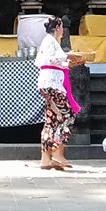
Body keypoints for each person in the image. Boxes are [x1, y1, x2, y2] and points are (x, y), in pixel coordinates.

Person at [36, 16, 84, 170]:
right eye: (62, 26)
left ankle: (45, 158)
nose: (63, 29)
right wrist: (67, 56)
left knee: (51, 120)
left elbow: (52, 61)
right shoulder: (49, 41)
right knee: (67, 116)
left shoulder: (50, 42)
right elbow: (47, 60)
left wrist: (67, 62)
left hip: (49, 83)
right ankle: (57, 151)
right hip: (52, 84)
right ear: (57, 28)